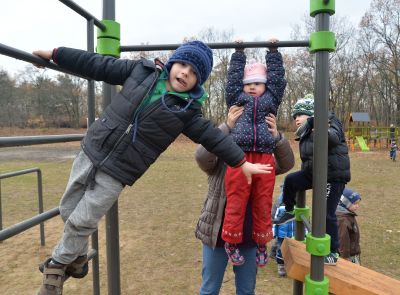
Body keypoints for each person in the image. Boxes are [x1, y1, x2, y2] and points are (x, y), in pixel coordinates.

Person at [32, 41, 272, 295]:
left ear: (198, 81)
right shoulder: (141, 71)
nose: (184, 73)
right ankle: (78, 259)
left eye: (193, 73)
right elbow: (97, 65)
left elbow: (213, 137)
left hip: (120, 171)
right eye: (182, 65)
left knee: (84, 219)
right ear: (172, 63)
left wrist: (240, 162)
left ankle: (56, 267)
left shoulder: (187, 111)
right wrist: (57, 55)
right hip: (91, 149)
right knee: (68, 209)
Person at [195, 105, 294, 294]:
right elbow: (201, 156)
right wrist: (226, 127)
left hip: (249, 236)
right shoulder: (223, 155)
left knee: (247, 290)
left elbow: (286, 163)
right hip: (217, 234)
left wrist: (278, 139)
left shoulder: (261, 160)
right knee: (209, 289)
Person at [222, 40, 287, 267]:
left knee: (262, 200)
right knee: (237, 200)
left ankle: (261, 242)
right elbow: (231, 82)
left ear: (265, 85)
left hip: (265, 156)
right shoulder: (237, 99)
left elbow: (278, 81)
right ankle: (231, 241)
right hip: (239, 156)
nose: (252, 87)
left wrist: (273, 53)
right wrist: (238, 54)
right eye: (249, 83)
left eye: (258, 83)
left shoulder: (271, 100)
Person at [273, 94, 351, 265]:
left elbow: (331, 139)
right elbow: (308, 158)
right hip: (314, 173)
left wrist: (316, 123)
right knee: (291, 180)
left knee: (324, 212)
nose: (297, 119)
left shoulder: (329, 120)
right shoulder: (305, 132)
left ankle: (332, 251)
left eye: (300, 114)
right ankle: (289, 210)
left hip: (332, 176)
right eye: (295, 116)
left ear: (311, 113)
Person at [271, 192, 295, 277]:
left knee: (292, 250)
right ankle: (281, 266)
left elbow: (304, 220)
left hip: (293, 234)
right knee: (280, 249)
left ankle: (290, 265)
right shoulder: (280, 207)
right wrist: (273, 231)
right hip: (282, 234)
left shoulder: (298, 207)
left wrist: (305, 232)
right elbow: (275, 219)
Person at [336, 187, 361, 264]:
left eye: (358, 203)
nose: (357, 206)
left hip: (352, 253)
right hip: (348, 256)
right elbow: (343, 239)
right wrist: (345, 257)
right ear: (344, 203)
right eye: (354, 203)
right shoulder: (343, 220)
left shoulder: (347, 214)